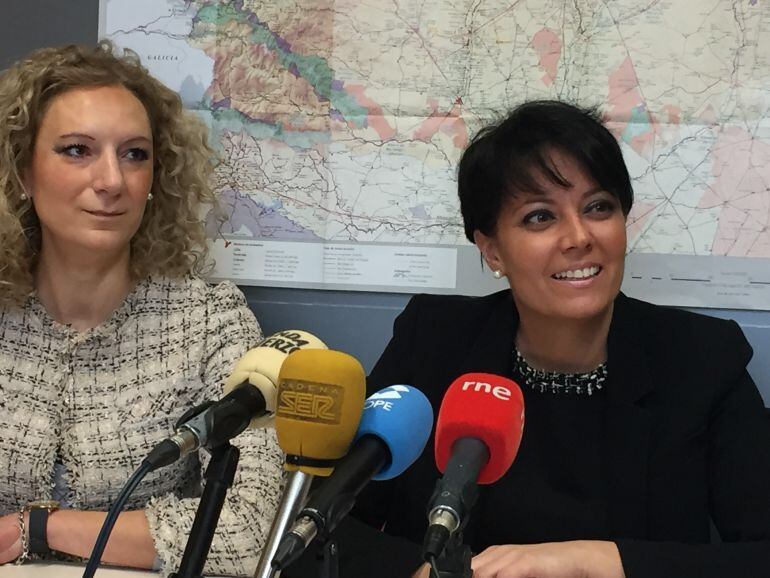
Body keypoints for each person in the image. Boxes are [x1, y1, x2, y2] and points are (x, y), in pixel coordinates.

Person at [286, 100, 770, 578]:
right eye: (540, 217)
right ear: (492, 250)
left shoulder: (702, 358)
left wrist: (595, 562)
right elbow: (320, 531)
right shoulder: (432, 341)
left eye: (598, 207)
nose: (578, 237)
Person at [0, 42, 283, 575]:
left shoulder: (209, 321)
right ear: (23, 171)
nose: (112, 180)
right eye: (77, 150)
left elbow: (248, 532)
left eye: (134, 154)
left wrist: (37, 528)